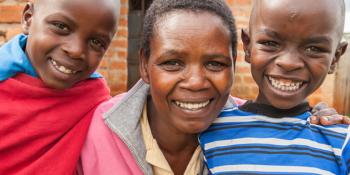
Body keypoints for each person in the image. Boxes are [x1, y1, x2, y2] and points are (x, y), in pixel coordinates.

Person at [79, 0, 349, 175]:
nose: (196, 82)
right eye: (172, 63)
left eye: (215, 64)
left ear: (235, 61)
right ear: (145, 65)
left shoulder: (253, 127)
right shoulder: (96, 128)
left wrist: (319, 122)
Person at [199, 0, 350, 174]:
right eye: (271, 43)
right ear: (247, 46)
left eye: (313, 48)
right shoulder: (210, 129)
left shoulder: (341, 141)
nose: (288, 63)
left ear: (335, 57)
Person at [0, 0, 120, 174]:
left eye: (96, 42)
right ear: (28, 18)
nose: (76, 50)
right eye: (61, 26)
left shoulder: (95, 101)